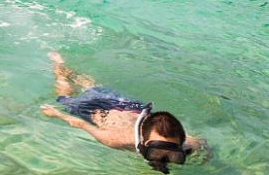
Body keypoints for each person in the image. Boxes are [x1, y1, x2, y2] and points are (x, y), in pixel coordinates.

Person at [40, 52, 208, 174]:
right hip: (94, 109)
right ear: (144, 141)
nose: (163, 158)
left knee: (93, 87)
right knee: (64, 97)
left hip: (126, 104)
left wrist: (206, 157)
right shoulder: (114, 139)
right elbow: (80, 123)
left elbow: (202, 143)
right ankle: (59, 67)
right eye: (155, 153)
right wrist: (57, 114)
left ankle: (67, 70)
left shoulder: (189, 143)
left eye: (173, 154)